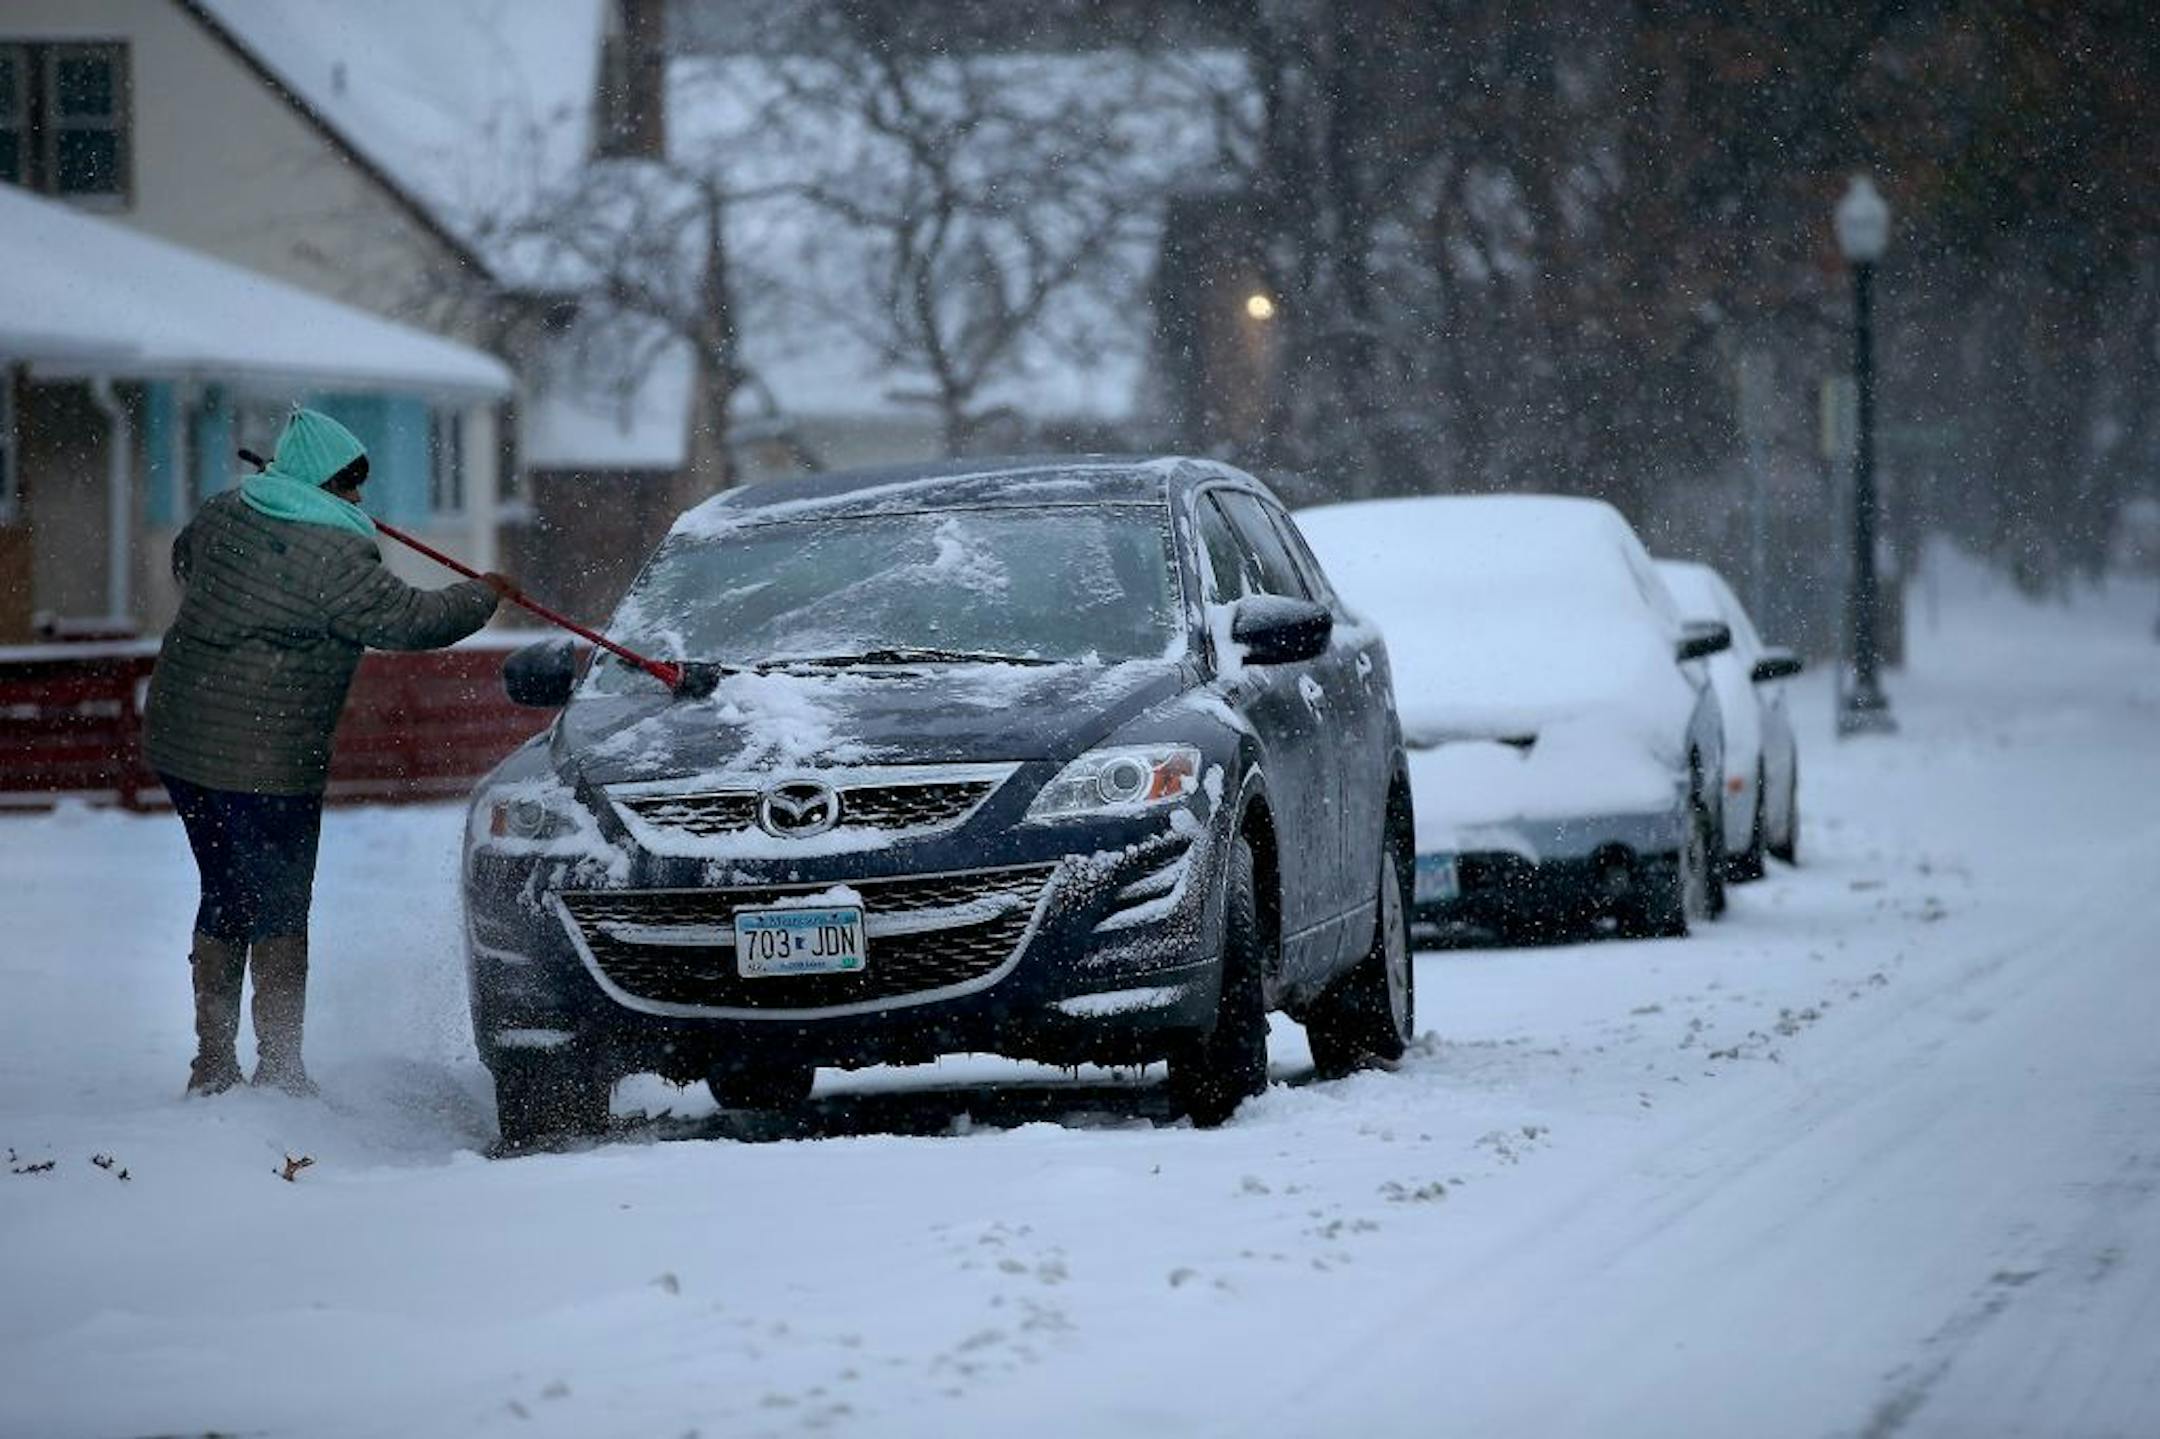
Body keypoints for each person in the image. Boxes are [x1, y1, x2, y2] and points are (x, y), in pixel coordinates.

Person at [144, 408, 518, 1096]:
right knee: (280, 901)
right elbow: (412, 620)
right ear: (324, 481)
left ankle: (213, 1064)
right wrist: (482, 594)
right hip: (265, 754)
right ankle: (282, 1070)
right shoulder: (333, 555)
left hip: (181, 738)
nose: (357, 502)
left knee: (225, 889)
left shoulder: (226, 512)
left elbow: (185, 562)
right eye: (351, 487)